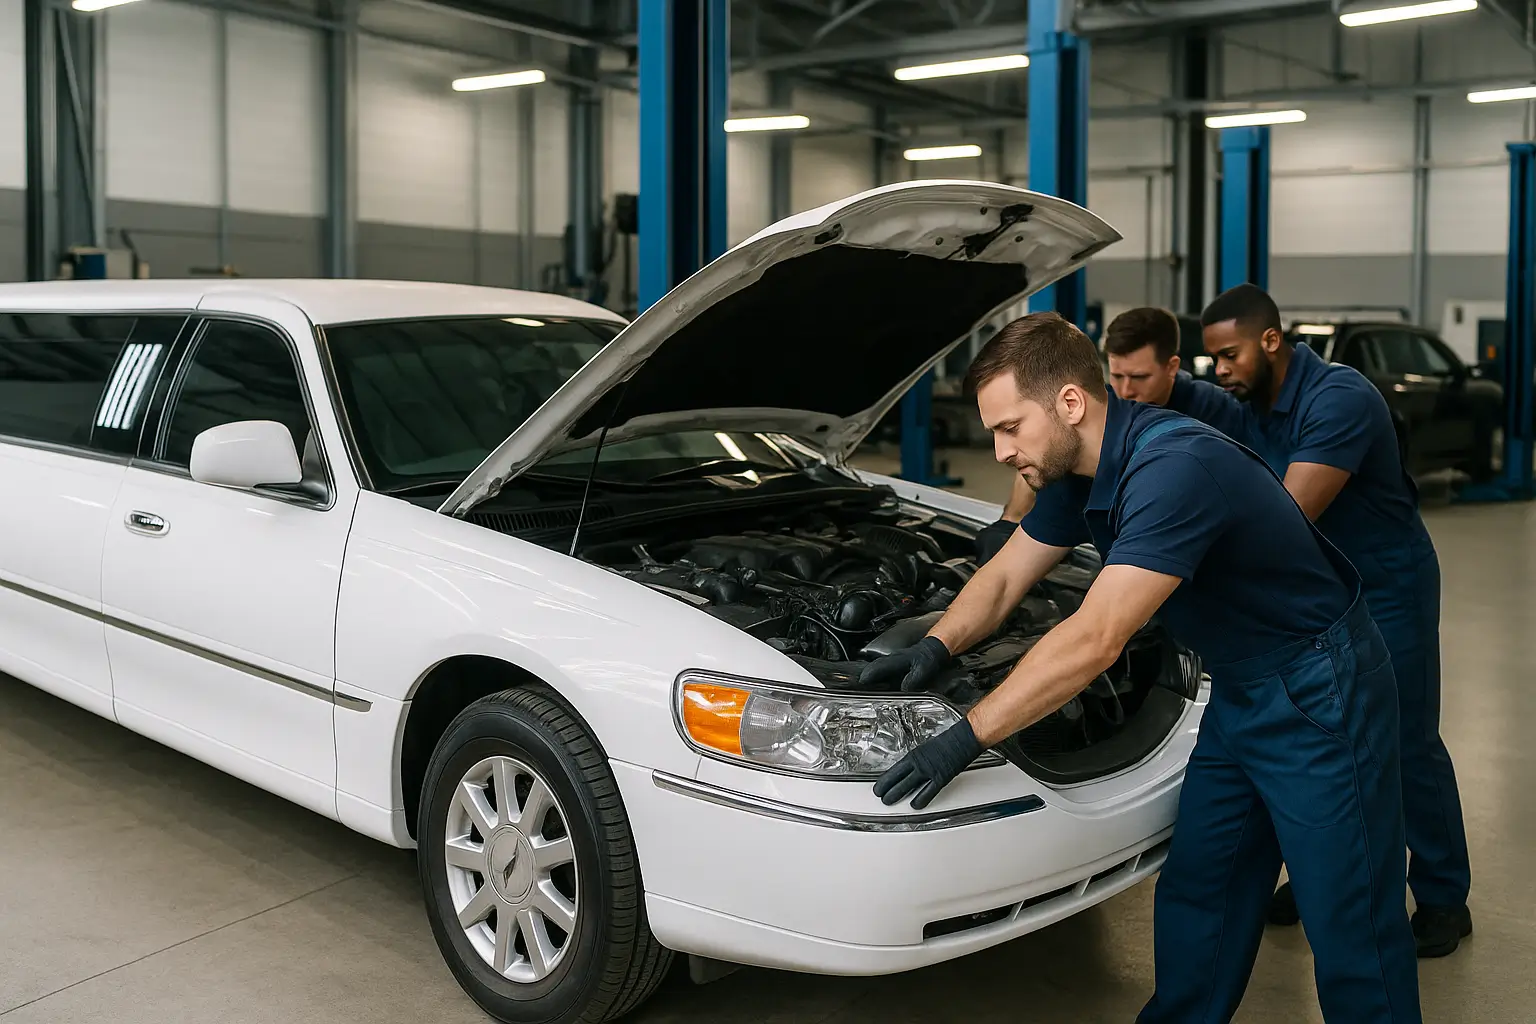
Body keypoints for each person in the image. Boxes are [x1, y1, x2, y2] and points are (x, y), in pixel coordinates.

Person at [865, 311, 1421, 1024]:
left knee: (1349, 920)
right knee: (1204, 885)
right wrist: (934, 647)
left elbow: (1097, 638)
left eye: (1010, 428)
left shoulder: (1175, 465)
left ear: (1070, 403)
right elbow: (1005, 579)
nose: (999, 450)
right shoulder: (1075, 470)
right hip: (1244, 688)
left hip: (1320, 689)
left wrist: (967, 735)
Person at [1163, 283, 1472, 957]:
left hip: (1388, 586)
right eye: (1211, 358)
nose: (1221, 369)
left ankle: (1446, 893)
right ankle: (1320, 876)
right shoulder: (1253, 397)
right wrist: (1150, 377)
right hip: (1320, 596)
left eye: (1229, 355)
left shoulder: (1341, 400)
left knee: (1405, 741)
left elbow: (1289, 516)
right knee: (1325, 745)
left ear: (1271, 341)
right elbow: (1187, 394)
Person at [973, 306, 1184, 563]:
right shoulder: (1072, 458)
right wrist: (1010, 522)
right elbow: (1006, 577)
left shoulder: (1177, 460)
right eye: (1117, 376)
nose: (1126, 389)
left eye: (1011, 428)